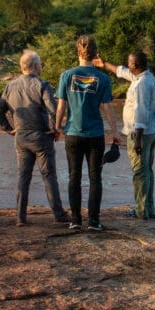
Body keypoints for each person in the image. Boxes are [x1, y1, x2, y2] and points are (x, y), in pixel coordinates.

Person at [55, 35, 121, 232]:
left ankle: (75, 220)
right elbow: (107, 108)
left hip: (73, 134)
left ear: (78, 52)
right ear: (95, 54)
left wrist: (57, 127)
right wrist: (115, 132)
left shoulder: (67, 75)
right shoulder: (103, 78)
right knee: (95, 178)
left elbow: (61, 106)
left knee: (74, 177)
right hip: (95, 135)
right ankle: (93, 221)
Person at [1, 50, 70, 226]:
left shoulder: (10, 86)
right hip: (41, 137)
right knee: (49, 175)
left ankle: (20, 217)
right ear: (36, 66)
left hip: (21, 136)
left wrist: (9, 129)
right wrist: (55, 129)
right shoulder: (42, 84)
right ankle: (58, 214)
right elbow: (53, 110)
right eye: (40, 64)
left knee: (23, 176)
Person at [95, 51, 155, 219]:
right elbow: (121, 71)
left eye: (129, 63)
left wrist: (137, 140)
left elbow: (140, 113)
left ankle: (141, 211)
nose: (127, 65)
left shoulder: (141, 84)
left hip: (141, 134)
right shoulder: (145, 77)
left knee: (139, 172)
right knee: (147, 170)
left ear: (135, 65)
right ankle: (148, 209)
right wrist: (104, 64)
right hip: (151, 130)